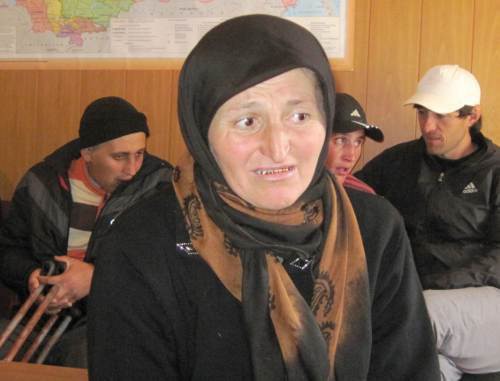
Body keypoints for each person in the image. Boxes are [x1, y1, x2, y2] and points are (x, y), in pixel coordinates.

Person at [87, 15, 440, 380]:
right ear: (201, 129)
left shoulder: (375, 231)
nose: (277, 147)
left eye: (300, 115)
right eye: (247, 121)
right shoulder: (141, 246)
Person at [0, 96, 172, 367]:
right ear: (87, 152)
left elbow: (172, 268)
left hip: (117, 321)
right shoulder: (42, 183)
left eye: (139, 154)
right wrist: (32, 277)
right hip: (40, 318)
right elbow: (8, 250)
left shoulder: (159, 187)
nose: (132, 169)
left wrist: (96, 278)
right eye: (119, 157)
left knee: (85, 355)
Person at [356, 65, 500, 380]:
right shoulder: (398, 162)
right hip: (418, 300)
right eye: (422, 113)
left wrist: (434, 283)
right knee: (431, 368)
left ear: (471, 116)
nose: (428, 125)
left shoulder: (495, 172)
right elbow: (354, 197)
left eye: (441, 116)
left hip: (487, 305)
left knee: (417, 313)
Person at [326, 93, 384, 193]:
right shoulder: (292, 194)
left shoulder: (366, 198)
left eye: (358, 142)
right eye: (340, 140)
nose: (351, 156)